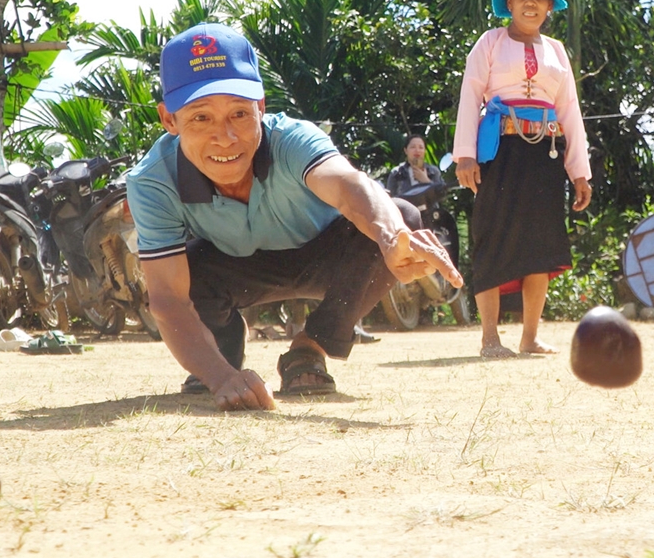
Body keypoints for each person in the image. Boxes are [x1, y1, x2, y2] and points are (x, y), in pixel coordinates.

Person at [128, 24, 461, 411]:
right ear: (169, 120)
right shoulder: (153, 180)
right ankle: (221, 352)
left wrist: (390, 237)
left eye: (239, 113)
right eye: (200, 118)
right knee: (181, 272)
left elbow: (349, 186)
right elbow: (168, 299)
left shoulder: (292, 138)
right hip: (234, 267)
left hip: (325, 254)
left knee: (399, 216)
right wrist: (219, 376)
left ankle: (308, 348)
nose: (225, 137)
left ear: (261, 107)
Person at [454, 0, 592, 359]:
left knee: (541, 243)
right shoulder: (489, 43)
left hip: (546, 154)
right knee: (492, 236)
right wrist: (465, 156)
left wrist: (579, 172)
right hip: (499, 151)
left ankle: (529, 337)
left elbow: (570, 110)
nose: (531, 4)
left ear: (550, 7)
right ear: (509, 3)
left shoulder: (558, 52)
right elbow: (469, 96)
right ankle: (490, 339)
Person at [385, 133, 459, 268]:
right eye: (413, 147)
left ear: (425, 150)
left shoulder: (433, 171)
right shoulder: (397, 173)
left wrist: (426, 181)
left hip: (431, 218)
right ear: (406, 151)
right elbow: (390, 200)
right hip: (406, 220)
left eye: (420, 147)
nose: (417, 150)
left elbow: (442, 192)